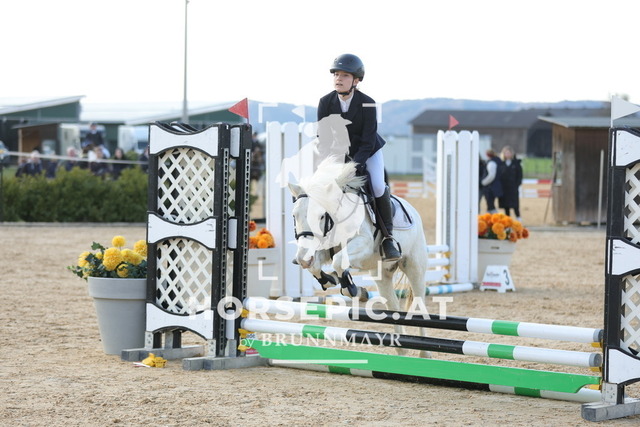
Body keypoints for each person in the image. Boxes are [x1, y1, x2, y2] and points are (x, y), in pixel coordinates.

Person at [317, 53, 400, 262]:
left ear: (356, 80)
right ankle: (316, 239)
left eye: (345, 75)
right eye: (336, 74)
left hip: (368, 152)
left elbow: (367, 140)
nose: (339, 79)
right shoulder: (325, 102)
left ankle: (388, 238)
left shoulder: (368, 103)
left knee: (378, 186)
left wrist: (355, 165)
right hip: (338, 155)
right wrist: (328, 164)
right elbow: (324, 138)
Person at [498, 145, 523, 220]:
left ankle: (519, 219)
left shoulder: (516, 164)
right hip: (504, 189)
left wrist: (517, 185)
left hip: (513, 188)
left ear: (512, 154)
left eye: (509, 153)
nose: (507, 154)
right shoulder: (501, 164)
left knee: (515, 206)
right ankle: (508, 221)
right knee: (506, 206)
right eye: (506, 153)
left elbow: (520, 175)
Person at [481, 148, 504, 213]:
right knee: (490, 205)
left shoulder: (491, 163)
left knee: (490, 205)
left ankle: (495, 217)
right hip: (495, 186)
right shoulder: (497, 161)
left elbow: (491, 176)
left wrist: (483, 182)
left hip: (490, 187)